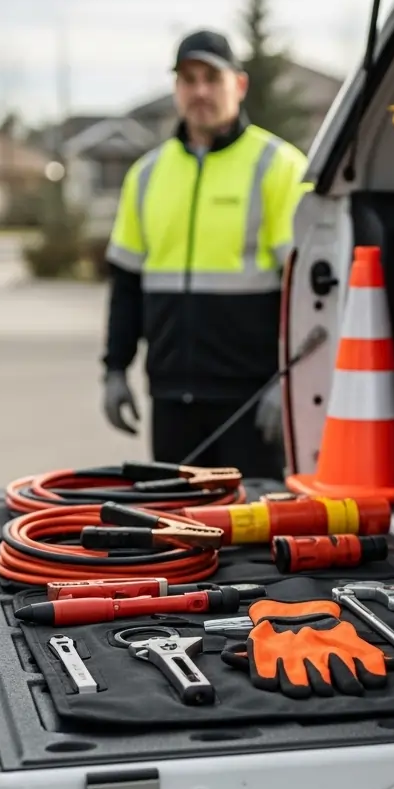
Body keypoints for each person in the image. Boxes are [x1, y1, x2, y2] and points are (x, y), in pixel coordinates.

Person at [100, 29, 309, 478]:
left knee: (253, 540)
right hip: (172, 400)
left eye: (211, 78)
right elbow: (127, 285)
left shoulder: (279, 167)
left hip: (253, 402)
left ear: (239, 84)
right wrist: (115, 370)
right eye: (188, 79)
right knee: (176, 533)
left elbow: (307, 290)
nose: (199, 91)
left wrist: (290, 382)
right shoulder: (146, 174)